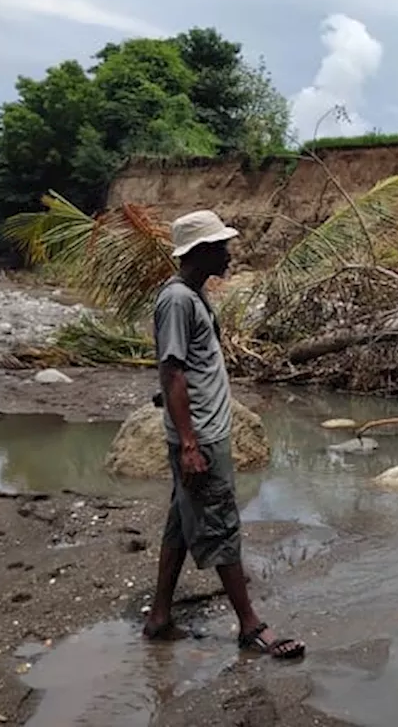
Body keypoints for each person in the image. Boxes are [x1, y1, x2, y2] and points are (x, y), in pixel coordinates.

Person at [141, 208, 305, 660]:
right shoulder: (177, 300)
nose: (230, 253)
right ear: (201, 252)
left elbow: (184, 370)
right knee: (221, 525)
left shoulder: (191, 295)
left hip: (202, 433)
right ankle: (250, 625)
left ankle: (159, 616)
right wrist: (190, 443)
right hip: (202, 439)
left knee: (180, 527)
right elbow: (172, 370)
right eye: (221, 246)